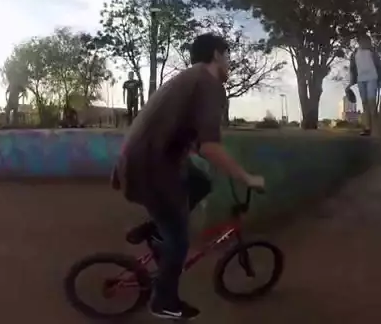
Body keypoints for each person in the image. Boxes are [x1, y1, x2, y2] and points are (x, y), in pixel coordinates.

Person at [110, 33, 265, 320]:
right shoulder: (208, 84)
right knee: (180, 240)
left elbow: (185, 129)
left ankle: (156, 230)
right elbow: (210, 147)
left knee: (200, 181)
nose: (228, 63)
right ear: (217, 55)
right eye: (227, 56)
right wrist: (246, 177)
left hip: (151, 160)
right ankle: (164, 300)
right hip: (152, 167)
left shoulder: (189, 79)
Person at [348, 34, 381, 136]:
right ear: (360, 42)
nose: (366, 43)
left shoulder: (372, 52)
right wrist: (351, 81)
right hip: (361, 80)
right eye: (364, 41)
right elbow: (352, 68)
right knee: (364, 103)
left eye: (368, 42)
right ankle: (367, 128)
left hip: (372, 78)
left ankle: (376, 128)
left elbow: (379, 66)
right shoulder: (355, 54)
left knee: (372, 103)